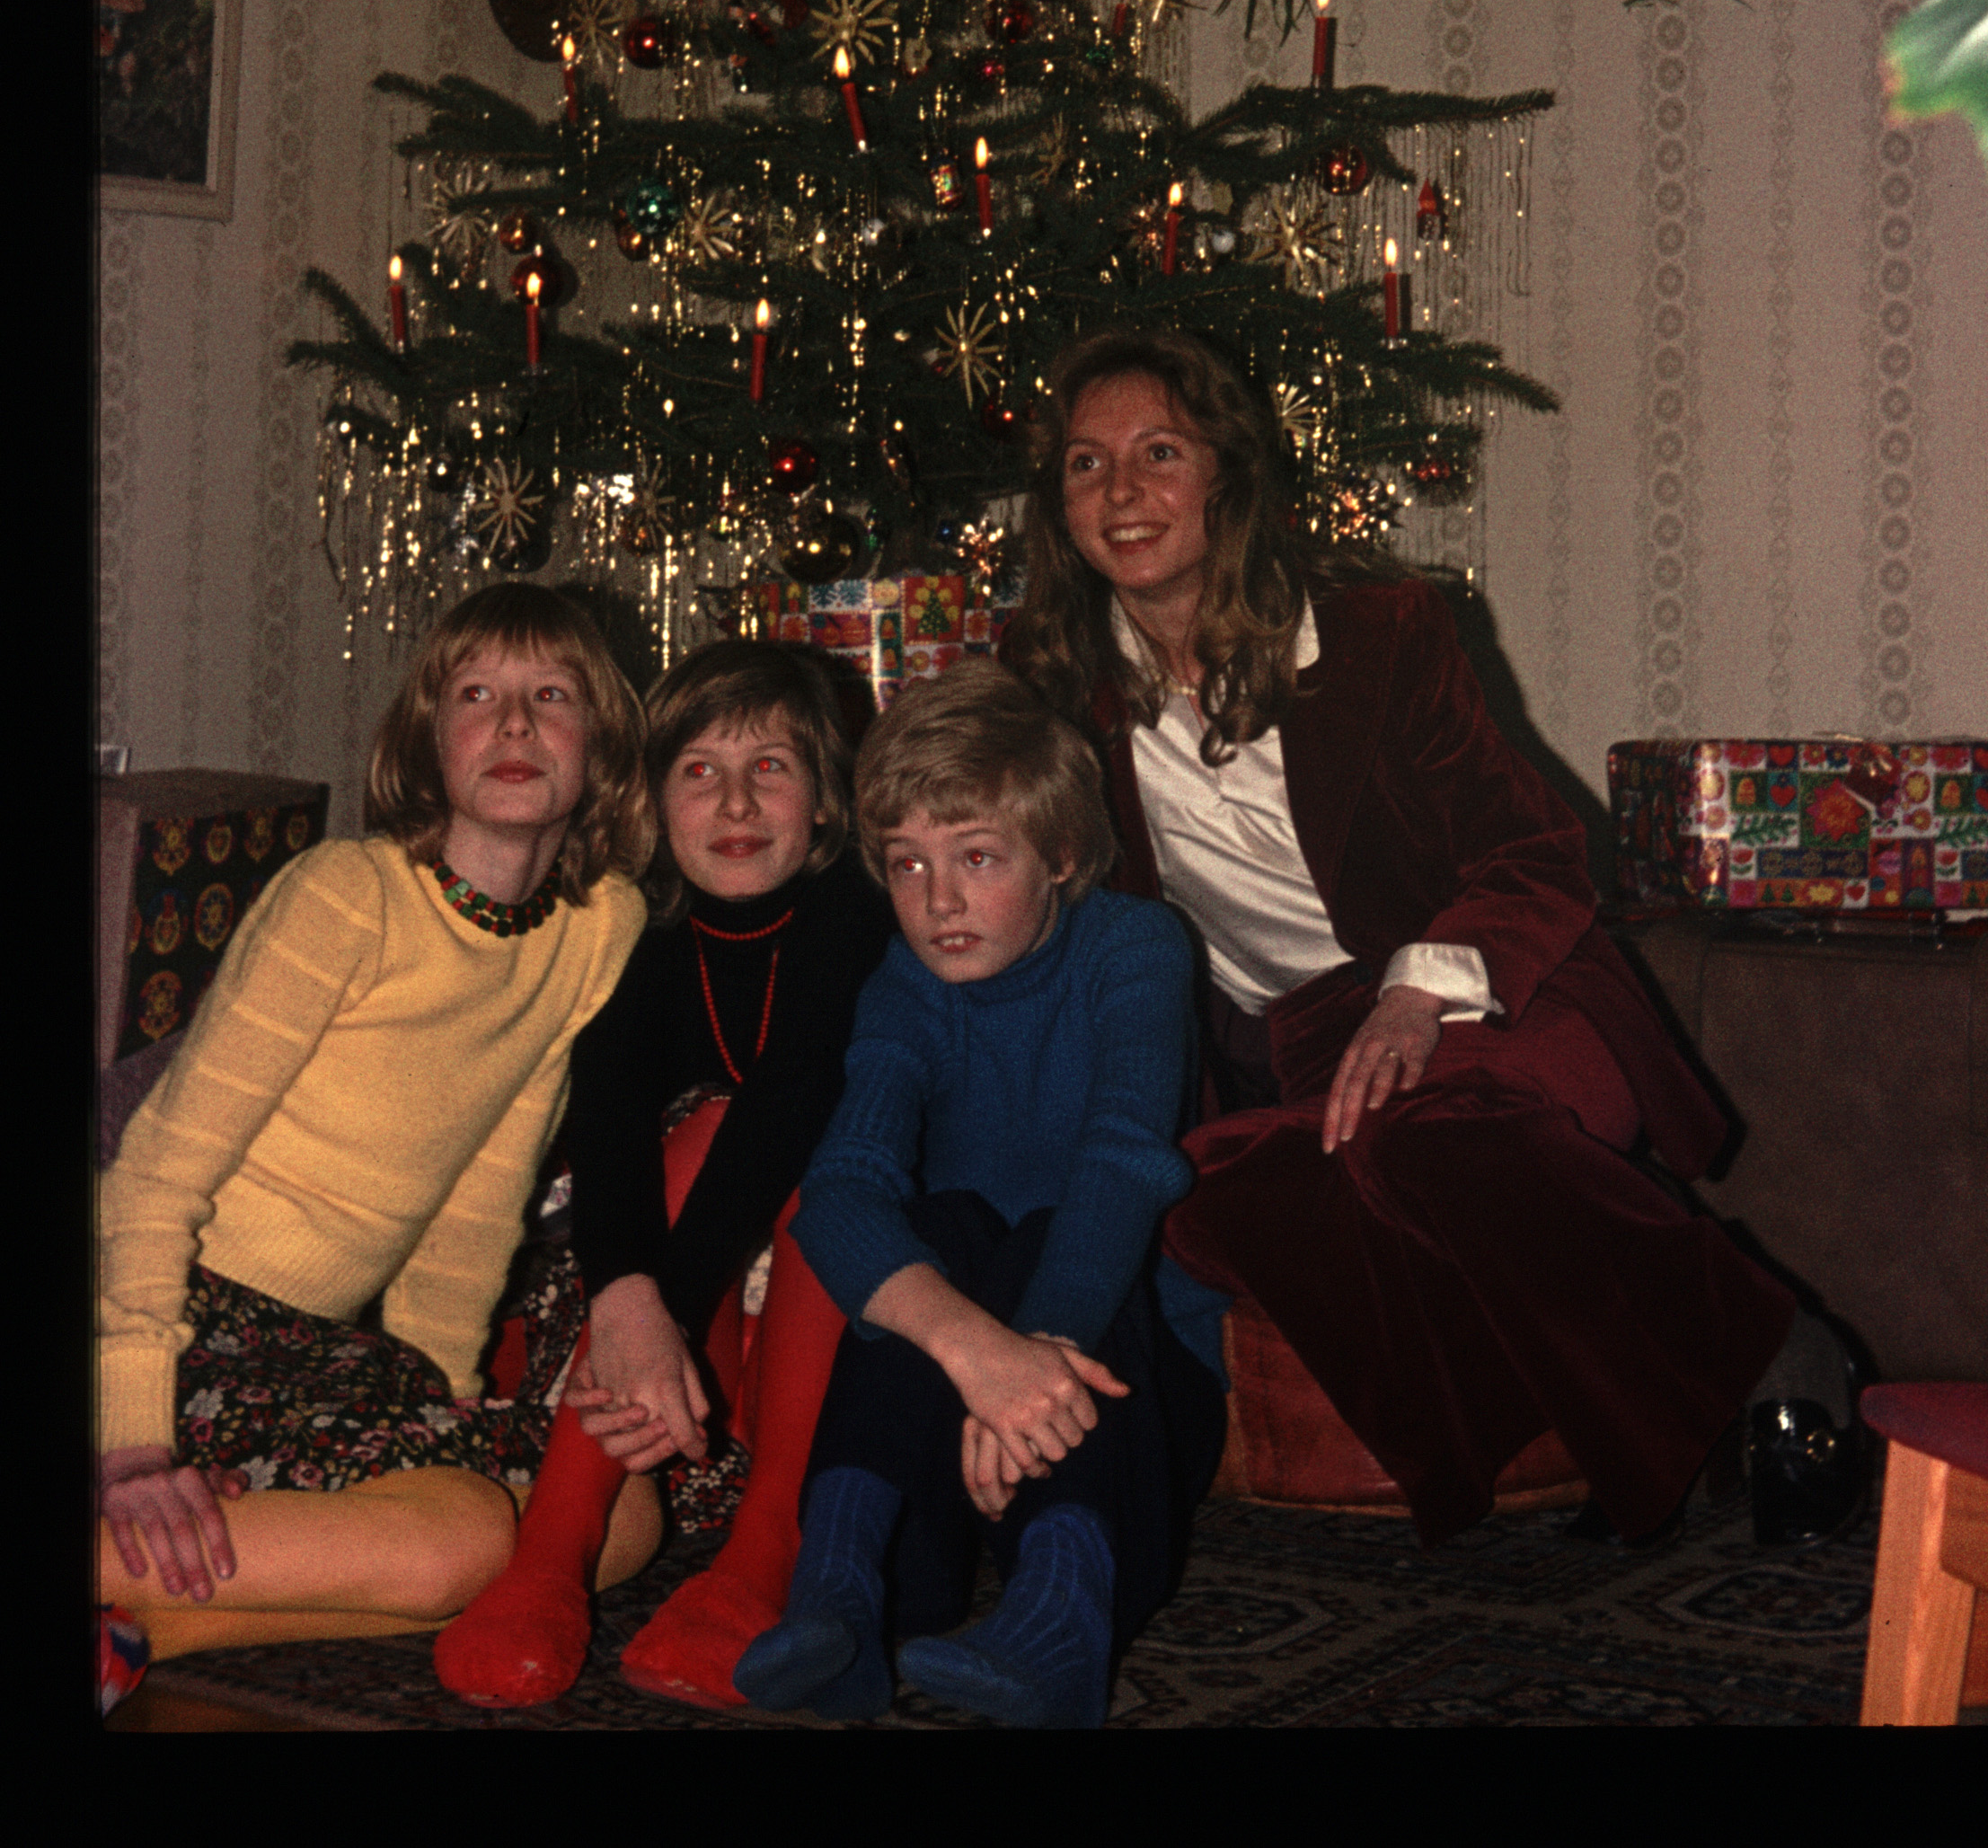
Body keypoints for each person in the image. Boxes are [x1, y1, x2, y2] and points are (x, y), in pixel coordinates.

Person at [1000, 325, 1841, 1551]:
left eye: (1159, 452)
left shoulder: (1380, 632)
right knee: (1203, 1200)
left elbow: (1536, 850)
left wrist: (1415, 997)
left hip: (1507, 989)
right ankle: (1590, 1420)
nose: (1121, 491)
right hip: (1300, 1044)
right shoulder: (1056, 688)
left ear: (1227, 472)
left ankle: (1783, 1354)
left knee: (1419, 1133)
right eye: (1087, 463)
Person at [96, 581, 653, 1668]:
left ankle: (144, 1627)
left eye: (552, 696)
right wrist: (131, 1442)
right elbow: (153, 1174)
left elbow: (484, 1191)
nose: (514, 725)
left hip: (322, 1350)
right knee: (458, 1544)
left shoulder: (598, 926)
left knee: (614, 1513)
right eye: (476, 695)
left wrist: (441, 1400)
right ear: (427, 742)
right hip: (179, 1323)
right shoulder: (348, 895)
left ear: (602, 744)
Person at [732, 662, 1229, 1730]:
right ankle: (840, 1596)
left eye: (977, 857)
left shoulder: (1133, 947)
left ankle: (1060, 1620)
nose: (938, 902)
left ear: (1060, 854)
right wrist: (977, 1356)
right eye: (906, 863)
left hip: (1126, 1385)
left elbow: (1121, 1165)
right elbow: (839, 1191)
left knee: (1043, 1227)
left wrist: (1031, 1360)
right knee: (940, 1226)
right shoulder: (904, 985)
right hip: (958, 1399)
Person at [433, 639, 893, 1710]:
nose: (734, 803)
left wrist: (656, 1314)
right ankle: (552, 1549)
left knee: (821, 1155)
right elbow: (608, 1121)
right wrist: (631, 1303)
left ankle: (770, 1543)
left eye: (769, 767)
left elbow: (789, 1106)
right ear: (653, 801)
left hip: (832, 1328)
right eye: (698, 771)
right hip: (681, 1358)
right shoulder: (637, 923)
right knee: (684, 1131)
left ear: (825, 800)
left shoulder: (854, 915)